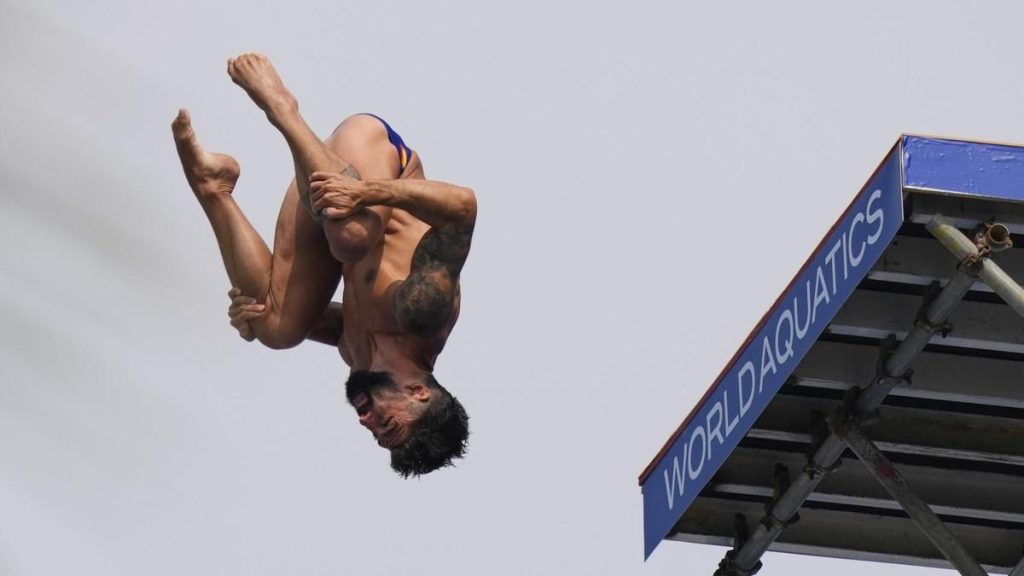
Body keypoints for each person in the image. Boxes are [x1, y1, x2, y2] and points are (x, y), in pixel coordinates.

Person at [171, 53, 475, 477]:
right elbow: (463, 207)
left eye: (373, 431)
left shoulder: (359, 356)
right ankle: (280, 106)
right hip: (371, 155)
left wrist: (253, 311)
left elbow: (334, 317)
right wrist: (369, 192)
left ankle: (213, 185)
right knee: (353, 241)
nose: (365, 420)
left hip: (325, 197)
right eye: (385, 423)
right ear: (419, 393)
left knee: (276, 330)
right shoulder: (424, 314)